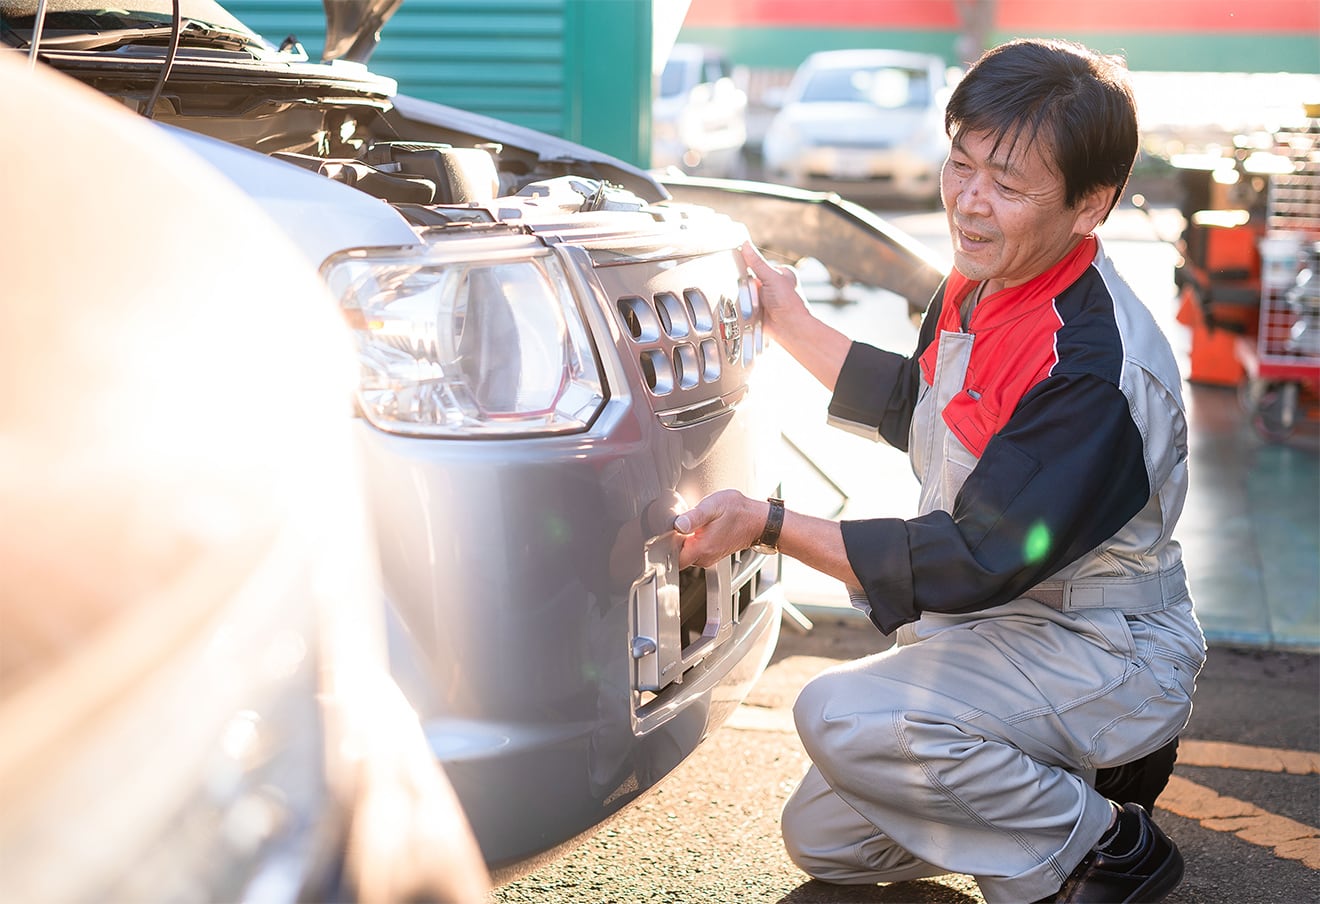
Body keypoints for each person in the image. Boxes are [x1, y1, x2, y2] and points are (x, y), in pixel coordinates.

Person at [675, 38, 1205, 903]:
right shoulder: (984, 285)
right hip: (1009, 633)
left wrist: (771, 525)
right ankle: (1059, 796)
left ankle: (1105, 847)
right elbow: (924, 402)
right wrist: (788, 319)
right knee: (822, 839)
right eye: (960, 165)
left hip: (1103, 650)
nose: (970, 202)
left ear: (1090, 204)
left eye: (1008, 183)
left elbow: (971, 557)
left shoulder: (1091, 369)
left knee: (836, 712)